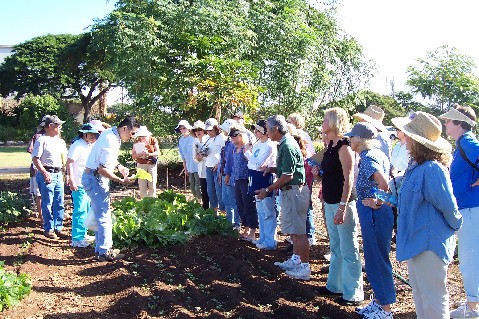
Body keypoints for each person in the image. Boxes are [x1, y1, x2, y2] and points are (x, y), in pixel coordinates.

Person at [392, 112, 462, 319]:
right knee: (421, 295)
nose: (405, 141)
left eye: (408, 137)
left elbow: (448, 206)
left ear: (418, 142)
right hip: (417, 240)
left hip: (430, 243)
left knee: (433, 297)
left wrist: (456, 225)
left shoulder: (432, 169)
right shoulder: (417, 168)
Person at [344, 122, 396, 319]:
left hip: (374, 215)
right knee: (375, 258)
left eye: (352, 137)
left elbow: (384, 183)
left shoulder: (368, 157)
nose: (350, 140)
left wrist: (378, 202)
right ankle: (380, 302)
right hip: (375, 214)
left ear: (360, 139)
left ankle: (385, 310)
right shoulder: (378, 154)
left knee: (376, 259)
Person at [316, 108, 364, 306]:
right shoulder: (330, 145)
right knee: (335, 246)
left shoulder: (344, 146)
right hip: (329, 201)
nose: (323, 122)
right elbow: (328, 173)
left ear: (334, 122)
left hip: (342, 203)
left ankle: (353, 292)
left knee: (348, 247)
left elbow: (348, 178)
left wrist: (342, 207)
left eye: (325, 119)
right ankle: (334, 285)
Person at [256, 115, 311, 281]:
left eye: (267, 129)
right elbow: (286, 170)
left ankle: (305, 267)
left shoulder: (287, 145)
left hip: (294, 191)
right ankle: (296, 260)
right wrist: (272, 169)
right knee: (294, 230)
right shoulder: (284, 144)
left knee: (299, 232)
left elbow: (288, 175)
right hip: (290, 191)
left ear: (275, 129)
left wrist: (268, 189)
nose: (266, 132)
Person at [439, 106, 479, 318]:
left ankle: (472, 308)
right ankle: (472, 303)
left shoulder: (468, 142)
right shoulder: (463, 143)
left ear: (458, 123)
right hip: (469, 207)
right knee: (470, 258)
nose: (445, 124)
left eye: (448, 121)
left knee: (469, 259)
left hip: (471, 209)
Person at [82, 116, 139, 261]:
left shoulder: (111, 134)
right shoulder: (111, 139)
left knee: (99, 214)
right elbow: (102, 169)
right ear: (125, 128)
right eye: (132, 133)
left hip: (93, 176)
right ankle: (105, 251)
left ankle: (99, 249)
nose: (132, 137)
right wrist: (120, 180)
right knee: (104, 215)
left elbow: (107, 158)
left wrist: (119, 166)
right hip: (95, 178)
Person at [32, 115, 68, 239]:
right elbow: (36, 159)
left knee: (59, 202)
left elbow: (64, 159)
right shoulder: (41, 140)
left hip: (58, 174)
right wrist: (44, 173)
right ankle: (49, 228)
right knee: (47, 202)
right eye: (58, 125)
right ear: (50, 126)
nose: (60, 127)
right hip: (46, 173)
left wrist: (66, 174)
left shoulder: (60, 141)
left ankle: (58, 227)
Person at [66, 123, 100, 248]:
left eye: (94, 135)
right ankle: (77, 238)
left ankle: (83, 234)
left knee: (86, 209)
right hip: (78, 183)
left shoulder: (87, 145)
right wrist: (71, 180)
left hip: (86, 183)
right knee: (79, 210)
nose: (93, 137)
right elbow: (69, 163)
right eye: (91, 134)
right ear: (84, 134)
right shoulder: (77, 145)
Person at [244, 119, 277, 250]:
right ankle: (263, 238)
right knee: (261, 211)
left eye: (258, 130)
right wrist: (251, 158)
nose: (255, 132)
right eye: (255, 130)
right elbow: (252, 164)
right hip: (255, 178)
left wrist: (247, 153)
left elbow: (257, 164)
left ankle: (270, 240)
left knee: (268, 211)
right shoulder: (257, 145)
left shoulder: (270, 145)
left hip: (265, 179)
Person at [287, 113, 317, 245]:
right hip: (296, 178)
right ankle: (296, 236)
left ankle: (309, 234)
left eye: (289, 120)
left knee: (305, 206)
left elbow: (310, 156)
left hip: (304, 176)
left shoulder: (303, 136)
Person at [230, 127, 258, 241]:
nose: (233, 138)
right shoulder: (234, 149)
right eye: (232, 136)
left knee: (249, 206)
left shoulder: (246, 148)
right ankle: (245, 228)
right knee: (240, 206)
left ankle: (252, 231)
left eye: (235, 136)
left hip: (246, 180)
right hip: (237, 180)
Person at [202, 118, 226, 213]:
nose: (209, 132)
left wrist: (219, 163)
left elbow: (225, 153)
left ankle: (224, 212)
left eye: (210, 130)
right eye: (207, 130)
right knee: (210, 191)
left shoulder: (222, 138)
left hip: (218, 168)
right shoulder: (207, 139)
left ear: (216, 128)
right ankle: (214, 213)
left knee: (219, 191)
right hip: (208, 166)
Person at [219, 119, 240, 228]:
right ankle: (228, 222)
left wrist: (227, 174)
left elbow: (230, 161)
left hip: (230, 175)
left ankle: (236, 223)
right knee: (225, 199)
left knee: (232, 200)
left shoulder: (232, 144)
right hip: (224, 173)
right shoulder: (227, 141)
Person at [27, 116, 47, 219]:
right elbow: (33, 154)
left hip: (40, 169)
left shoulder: (38, 136)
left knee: (41, 194)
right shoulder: (38, 137)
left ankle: (43, 217)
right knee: (40, 194)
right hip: (37, 169)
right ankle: (42, 217)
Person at [176, 120, 201, 200]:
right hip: (189, 167)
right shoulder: (181, 140)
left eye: (184, 128)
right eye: (181, 129)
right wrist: (185, 168)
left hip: (198, 166)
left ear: (189, 128)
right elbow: (183, 156)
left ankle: (200, 202)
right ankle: (196, 202)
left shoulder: (194, 138)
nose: (183, 130)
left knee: (198, 186)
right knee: (192, 187)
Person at [132, 125, 159, 198]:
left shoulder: (153, 140)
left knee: (152, 185)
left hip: (151, 164)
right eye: (141, 136)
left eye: (144, 136)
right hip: (141, 165)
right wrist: (141, 154)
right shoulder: (136, 142)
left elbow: (158, 152)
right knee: (142, 186)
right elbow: (133, 156)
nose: (143, 137)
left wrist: (149, 154)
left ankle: (153, 201)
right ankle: (144, 202)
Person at [192, 120, 210, 209]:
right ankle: (205, 209)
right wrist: (197, 158)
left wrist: (202, 157)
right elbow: (194, 157)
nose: (197, 132)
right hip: (201, 170)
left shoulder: (208, 140)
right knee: (203, 190)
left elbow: (211, 156)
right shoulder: (195, 142)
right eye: (195, 130)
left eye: (200, 129)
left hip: (209, 169)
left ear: (204, 130)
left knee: (210, 191)